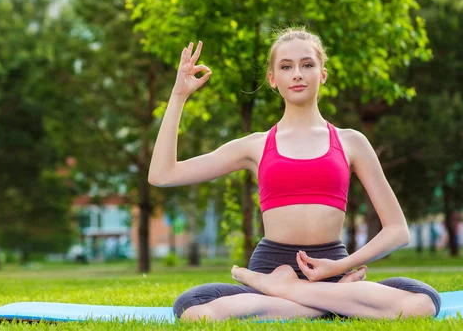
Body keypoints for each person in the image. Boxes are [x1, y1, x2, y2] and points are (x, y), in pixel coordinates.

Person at [148, 28, 441, 321]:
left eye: (307, 64)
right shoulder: (255, 145)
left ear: (322, 74)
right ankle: (328, 304)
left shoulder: (351, 142)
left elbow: (397, 231)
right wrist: (178, 95)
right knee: (193, 308)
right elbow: (163, 174)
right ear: (273, 80)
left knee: (424, 302)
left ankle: (292, 293)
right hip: (275, 268)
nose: (297, 74)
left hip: (331, 271)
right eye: (286, 67)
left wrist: (341, 267)